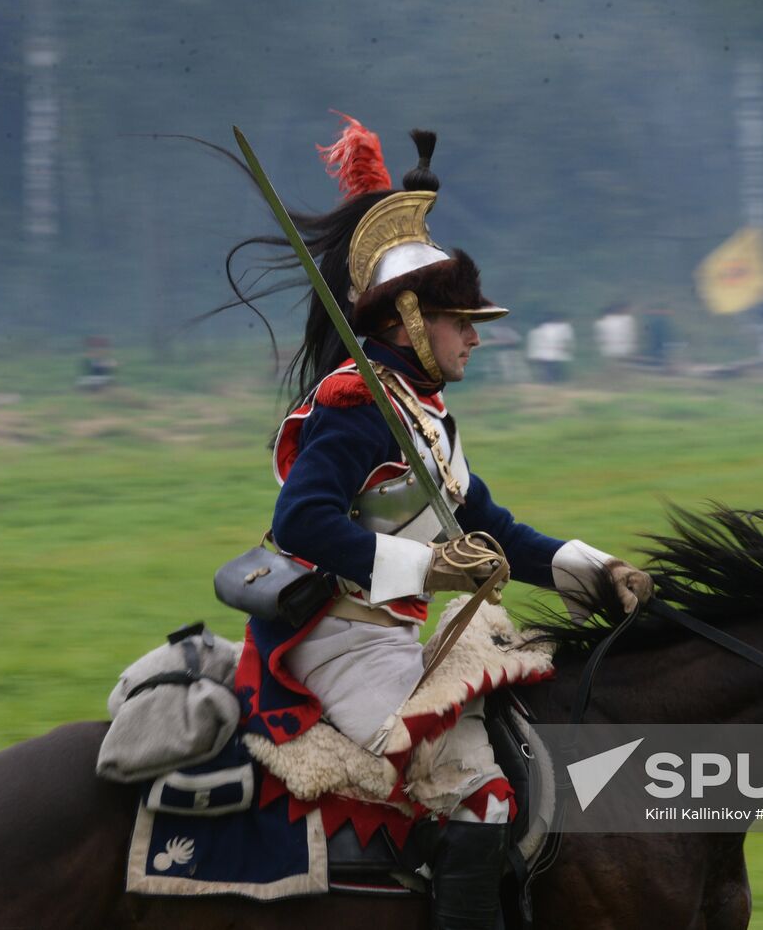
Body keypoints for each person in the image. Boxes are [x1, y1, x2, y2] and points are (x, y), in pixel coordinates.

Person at [228, 114, 653, 929]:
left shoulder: (422, 413)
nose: (476, 340)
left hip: (411, 635)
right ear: (413, 322)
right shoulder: (358, 404)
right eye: (465, 324)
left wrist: (598, 569)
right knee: (484, 798)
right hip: (346, 640)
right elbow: (304, 522)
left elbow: (491, 525)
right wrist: (427, 570)